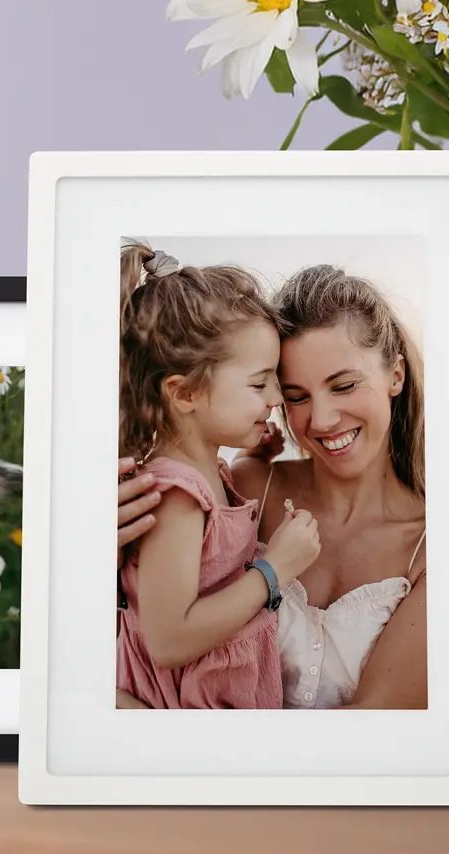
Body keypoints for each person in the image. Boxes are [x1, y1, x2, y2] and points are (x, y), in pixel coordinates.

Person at [117, 263, 428, 711]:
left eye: (343, 385)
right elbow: (147, 638)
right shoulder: (238, 490)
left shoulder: (432, 546)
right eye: (295, 394)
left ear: (395, 375)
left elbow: (372, 725)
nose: (319, 420)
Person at [114, 241, 320, 710]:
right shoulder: (177, 498)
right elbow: (170, 639)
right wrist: (275, 570)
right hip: (183, 720)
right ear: (184, 393)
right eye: (258, 382)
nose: (275, 397)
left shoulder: (204, 474)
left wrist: (260, 456)